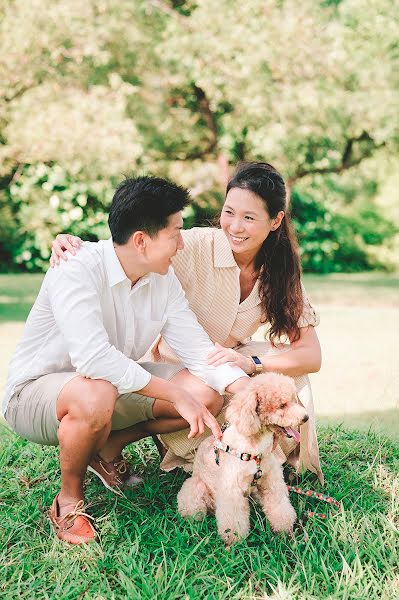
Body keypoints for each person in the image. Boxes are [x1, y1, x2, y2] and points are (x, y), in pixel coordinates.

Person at [3, 176, 250, 545]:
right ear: (141, 240)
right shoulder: (76, 267)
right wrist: (173, 394)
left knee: (204, 392)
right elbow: (93, 359)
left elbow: (198, 349)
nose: (181, 245)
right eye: (175, 234)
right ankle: (68, 500)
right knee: (97, 391)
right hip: (35, 395)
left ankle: (104, 448)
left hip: (108, 388)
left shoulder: (161, 280)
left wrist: (244, 388)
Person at [51, 162, 324, 484]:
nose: (235, 226)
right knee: (218, 390)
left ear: (276, 220)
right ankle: (203, 450)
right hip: (179, 363)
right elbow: (131, 246)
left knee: (284, 375)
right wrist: (76, 245)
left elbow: (311, 356)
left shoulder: (281, 269)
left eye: (249, 218)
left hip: (226, 361)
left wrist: (251, 363)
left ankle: (264, 456)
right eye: (229, 212)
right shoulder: (190, 245)